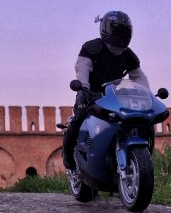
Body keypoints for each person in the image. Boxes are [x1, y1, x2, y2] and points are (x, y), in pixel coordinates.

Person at [62, 10, 151, 170]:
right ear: (107, 30)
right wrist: (83, 88)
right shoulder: (92, 48)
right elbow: (82, 68)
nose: (120, 35)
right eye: (117, 31)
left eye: (124, 31)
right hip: (90, 93)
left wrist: (147, 95)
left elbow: (138, 77)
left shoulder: (128, 55)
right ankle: (67, 152)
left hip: (115, 96)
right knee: (79, 118)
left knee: (135, 120)